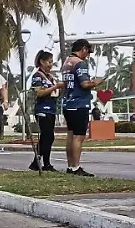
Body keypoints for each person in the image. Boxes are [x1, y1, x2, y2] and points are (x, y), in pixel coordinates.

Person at [62, 38, 102, 177]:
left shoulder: (67, 62)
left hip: (67, 103)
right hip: (79, 104)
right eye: (87, 51)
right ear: (83, 48)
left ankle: (70, 166)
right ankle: (76, 167)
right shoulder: (80, 63)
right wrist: (96, 82)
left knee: (71, 135)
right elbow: (85, 84)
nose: (88, 55)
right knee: (79, 137)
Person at [29, 50, 60, 172]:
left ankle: (39, 162)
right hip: (43, 109)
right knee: (47, 136)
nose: (50, 64)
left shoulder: (50, 77)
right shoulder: (37, 76)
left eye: (52, 62)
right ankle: (44, 163)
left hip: (52, 109)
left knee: (48, 137)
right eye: (49, 62)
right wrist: (55, 87)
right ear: (42, 62)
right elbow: (39, 92)